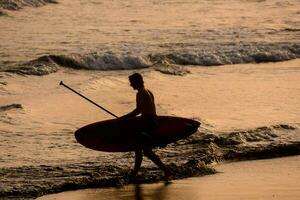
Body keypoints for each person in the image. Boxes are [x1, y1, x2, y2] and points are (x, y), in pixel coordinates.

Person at [120, 73, 172, 181]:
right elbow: (148, 111)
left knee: (140, 148)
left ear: (137, 81)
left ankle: (135, 173)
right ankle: (164, 170)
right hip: (151, 121)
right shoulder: (148, 91)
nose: (131, 85)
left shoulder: (141, 93)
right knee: (144, 150)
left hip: (147, 123)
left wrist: (124, 118)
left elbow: (139, 110)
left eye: (132, 82)